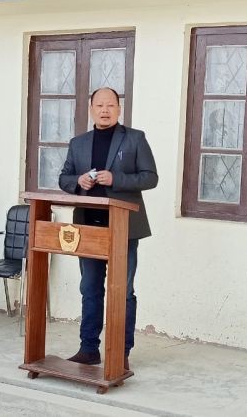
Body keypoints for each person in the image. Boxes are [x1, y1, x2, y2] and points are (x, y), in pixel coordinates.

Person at [58, 87, 158, 370]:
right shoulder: (78, 143)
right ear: (91, 108)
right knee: (89, 288)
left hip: (124, 228)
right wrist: (79, 181)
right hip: (88, 226)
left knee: (122, 291)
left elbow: (150, 178)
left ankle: (121, 352)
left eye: (110, 105)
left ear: (119, 109)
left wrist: (116, 178)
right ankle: (88, 348)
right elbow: (63, 179)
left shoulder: (135, 138)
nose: (105, 110)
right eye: (99, 105)